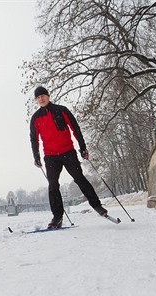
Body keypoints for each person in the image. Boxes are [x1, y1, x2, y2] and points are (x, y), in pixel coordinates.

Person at [29, 86, 108, 228]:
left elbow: (75, 128)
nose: (41, 99)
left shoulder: (61, 110)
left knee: (79, 178)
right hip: (51, 156)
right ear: (36, 100)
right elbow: (34, 139)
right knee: (53, 185)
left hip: (67, 152)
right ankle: (57, 217)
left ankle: (97, 206)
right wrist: (37, 156)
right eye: (38, 97)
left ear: (48, 96)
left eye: (43, 96)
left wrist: (83, 148)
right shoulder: (35, 118)